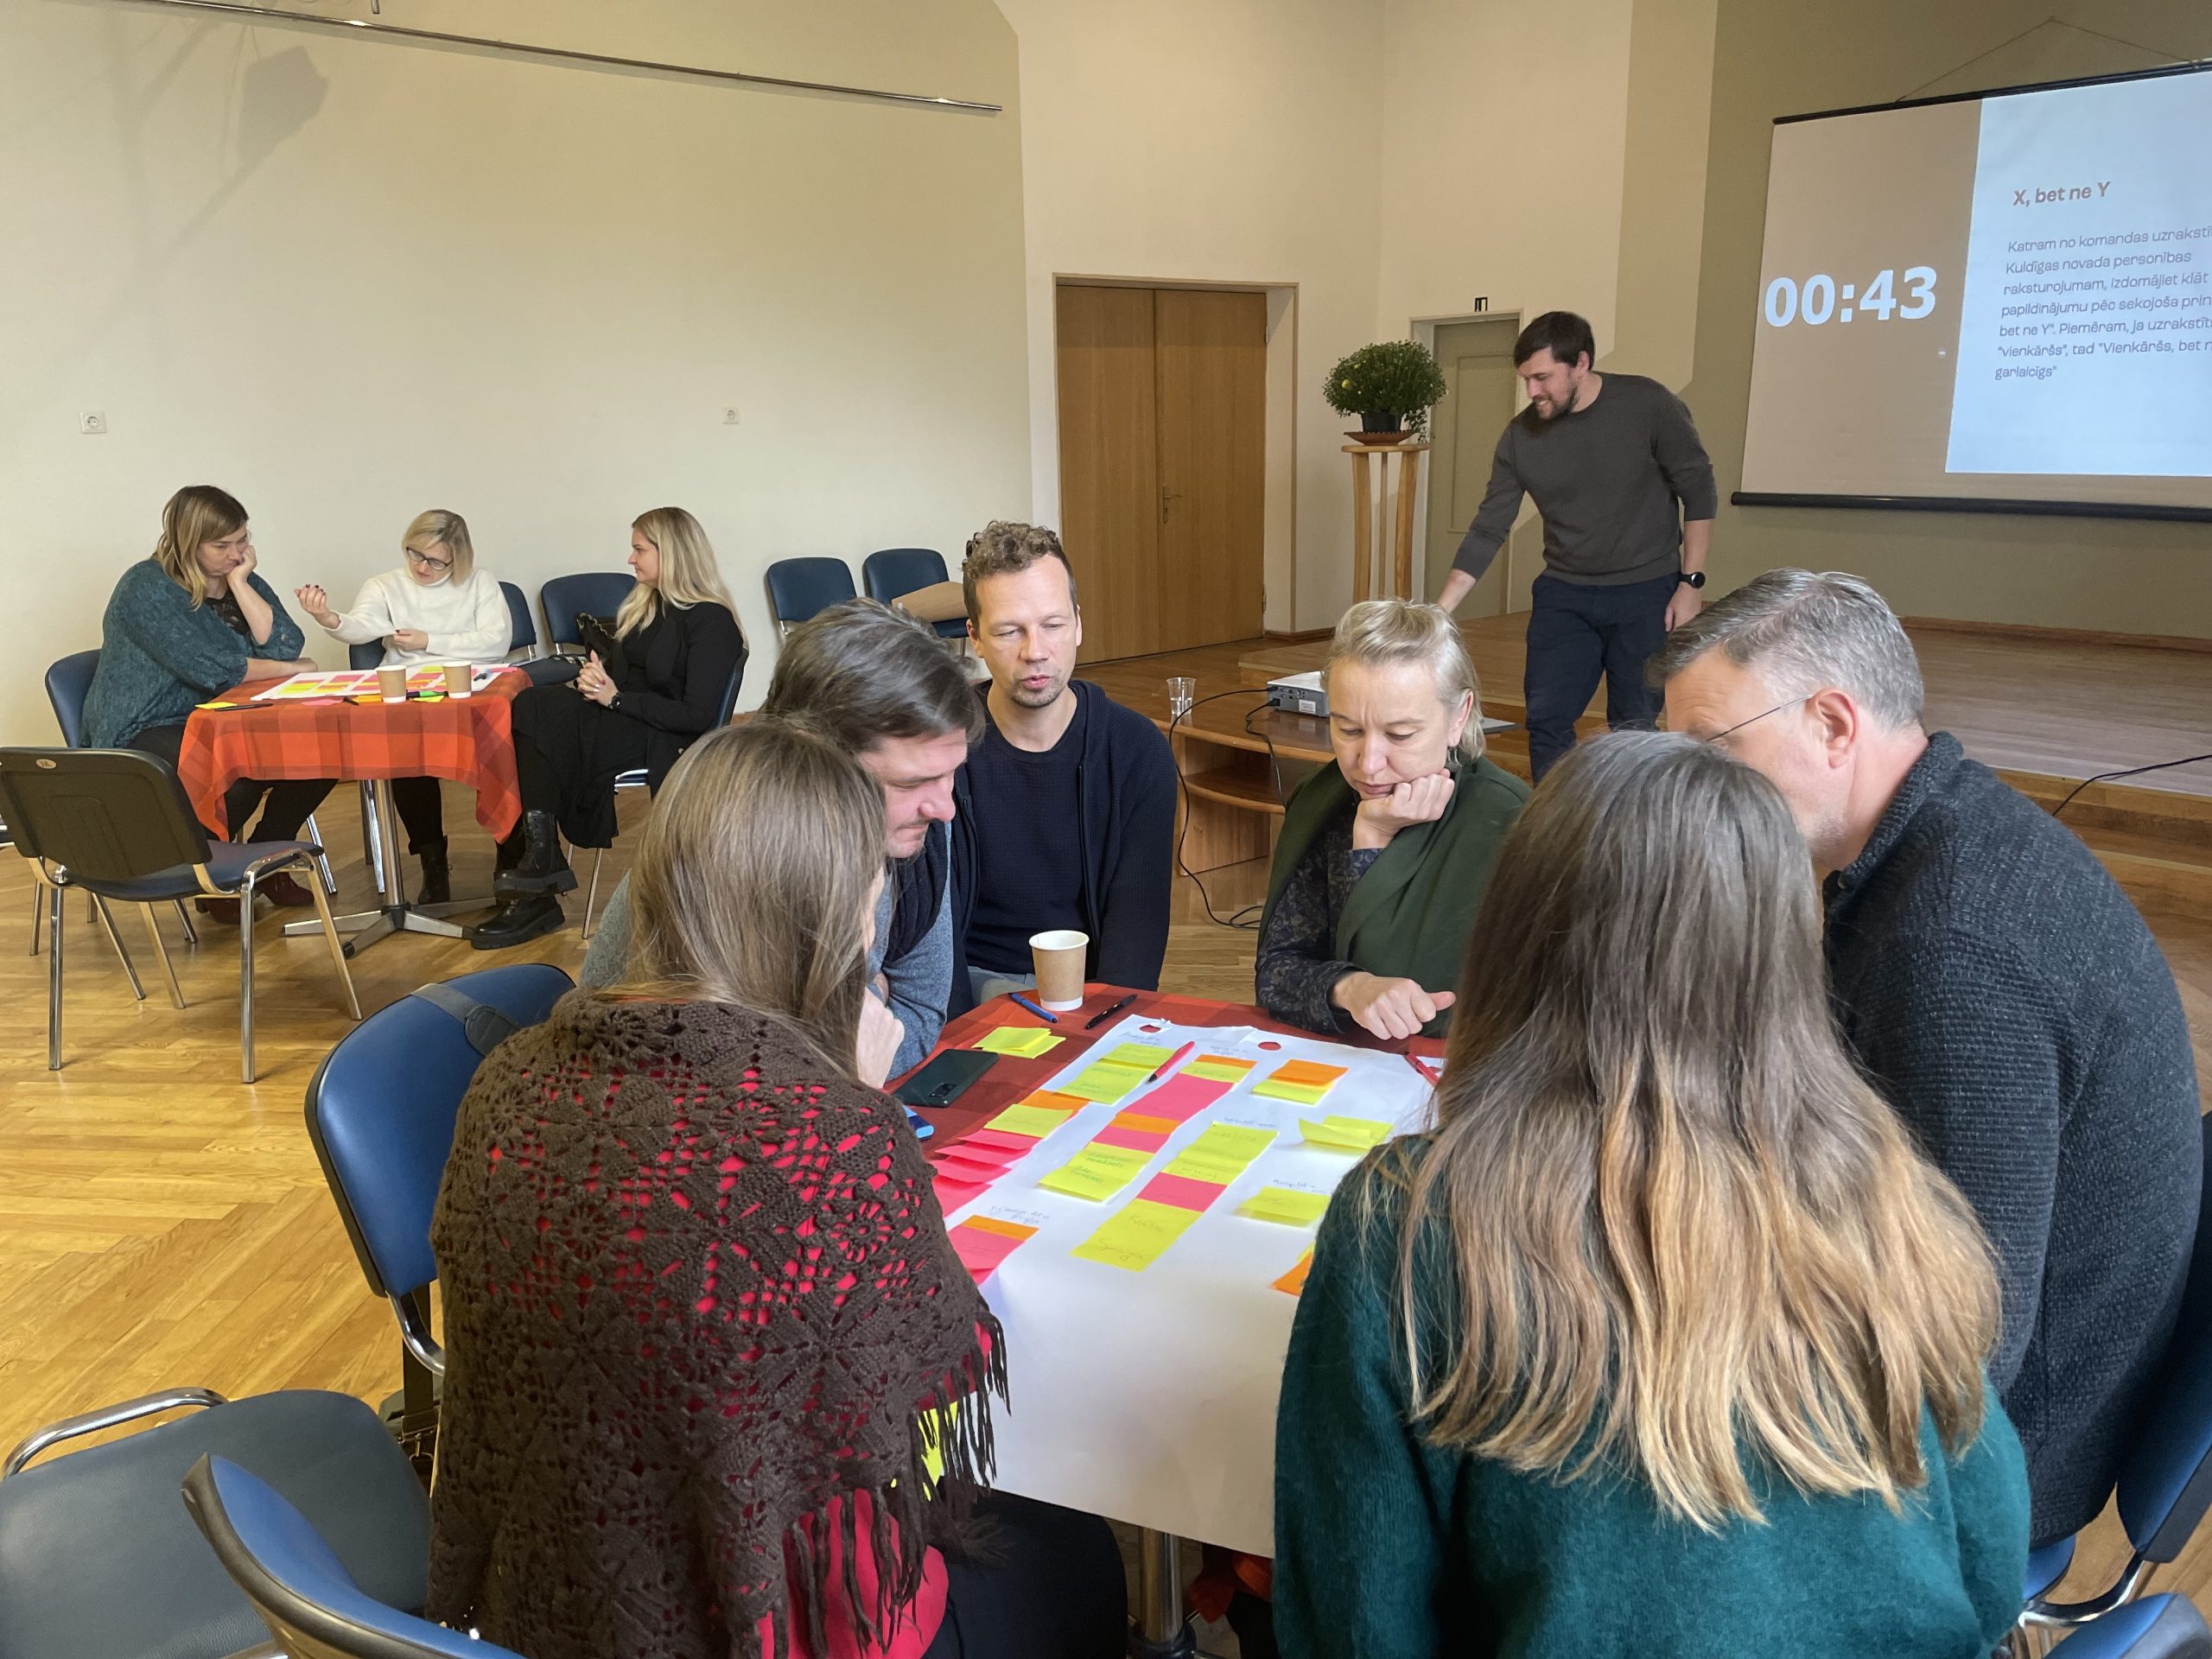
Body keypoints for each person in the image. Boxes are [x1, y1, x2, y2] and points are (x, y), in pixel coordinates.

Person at [1274, 732, 2028, 1657]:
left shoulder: (1409, 1225)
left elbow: (1355, 1627)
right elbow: (1991, 1569)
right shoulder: (1888, 1193)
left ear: (1511, 936)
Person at [429, 719, 1127, 1659]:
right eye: (869, 901)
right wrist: (850, 1094)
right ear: (823, 922)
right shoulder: (831, 1144)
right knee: (1081, 1553)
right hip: (775, 1621)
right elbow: (906, 1390)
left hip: (553, 1597)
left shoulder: (504, 1085)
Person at [1652, 569, 2201, 1548]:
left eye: (1711, 751)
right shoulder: (1931, 840)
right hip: (1977, 1379)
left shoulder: (1952, 951)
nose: (1689, 791)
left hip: (2000, 1460)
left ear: (1832, 724)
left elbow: (1962, 1351)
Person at [582, 598, 979, 1076]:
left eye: (951, 773)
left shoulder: (914, 827)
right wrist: (862, 1018)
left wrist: (848, 1026)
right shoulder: (720, 859)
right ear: (810, 759)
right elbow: (713, 1079)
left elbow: (917, 1014)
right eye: (910, 783)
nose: (944, 809)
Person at [1433, 310, 1717, 782]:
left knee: (1634, 726)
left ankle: (1629, 823)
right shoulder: (1520, 437)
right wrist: (1441, 611)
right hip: (1564, 594)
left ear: (1581, 363)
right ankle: (1553, 822)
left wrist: (1691, 583)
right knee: (1546, 721)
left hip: (1645, 591)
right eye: (1526, 380)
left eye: (1543, 377)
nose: (1532, 391)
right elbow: (1488, 528)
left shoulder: (1649, 405)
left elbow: (1699, 491)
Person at [468, 506, 747, 950]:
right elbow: (618, 678)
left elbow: (696, 715)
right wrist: (593, 679)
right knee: (530, 705)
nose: (631, 559)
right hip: (624, 717)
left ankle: (538, 872)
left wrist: (615, 699)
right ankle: (540, 860)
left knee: (541, 718)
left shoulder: (711, 621)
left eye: (640, 549)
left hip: (666, 737)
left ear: (672, 553)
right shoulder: (646, 606)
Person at [1255, 599, 1527, 1040]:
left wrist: (1373, 841)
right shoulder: (1322, 799)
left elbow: (1419, 1003)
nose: (1368, 764)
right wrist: (1349, 987)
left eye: (1400, 734)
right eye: (1348, 730)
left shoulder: (1510, 822)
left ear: (1458, 716)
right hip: (1337, 1060)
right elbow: (1276, 971)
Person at [950, 522, 1176, 1009]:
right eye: (1009, 631)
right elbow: (932, 933)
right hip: (965, 987)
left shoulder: (1137, 750)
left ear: (1078, 623)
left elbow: (1137, 929)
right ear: (975, 638)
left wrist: (1102, 1024)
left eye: (1052, 625)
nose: (1035, 651)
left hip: (1086, 992)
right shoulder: (941, 748)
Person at [82, 486, 334, 923]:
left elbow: (286, 643)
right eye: (222, 546)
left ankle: (265, 858)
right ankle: (212, 875)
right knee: (238, 773)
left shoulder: (241, 576)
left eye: (242, 540)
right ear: (187, 542)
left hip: (224, 717)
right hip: (147, 724)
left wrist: (240, 584)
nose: (237, 554)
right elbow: (211, 669)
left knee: (324, 749)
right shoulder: (146, 587)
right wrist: (293, 669)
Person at [294, 509, 512, 903]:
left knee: (504, 750)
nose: (422, 567)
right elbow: (361, 626)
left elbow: (495, 643)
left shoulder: (480, 582)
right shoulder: (385, 585)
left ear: (458, 559)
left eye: (435, 561)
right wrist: (328, 617)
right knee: (406, 758)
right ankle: (432, 860)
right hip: (409, 690)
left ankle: (510, 856)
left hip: (471, 686)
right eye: (415, 554)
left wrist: (428, 640)